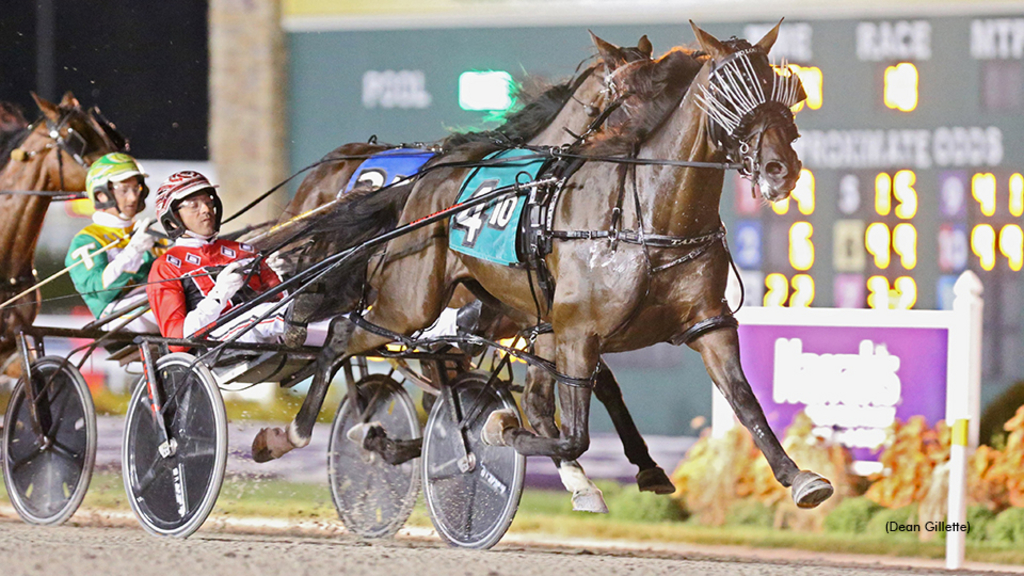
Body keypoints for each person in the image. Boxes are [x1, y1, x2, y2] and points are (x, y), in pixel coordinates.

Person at [65, 152, 161, 332]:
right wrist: (134, 251)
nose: (133, 198)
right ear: (101, 195)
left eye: (136, 189)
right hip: (115, 316)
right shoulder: (86, 240)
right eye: (124, 190)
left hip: (150, 302)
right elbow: (101, 292)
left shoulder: (146, 233)